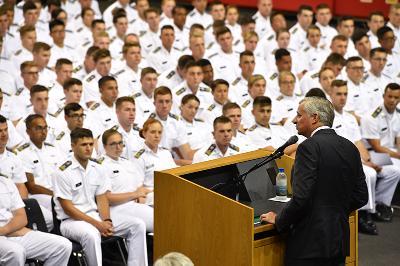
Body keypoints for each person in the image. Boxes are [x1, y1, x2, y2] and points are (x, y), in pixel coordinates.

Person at [260, 96, 368, 265]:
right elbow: (361, 196)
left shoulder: (308, 147)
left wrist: (279, 219)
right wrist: (334, 212)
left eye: (299, 115)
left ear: (315, 118)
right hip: (338, 239)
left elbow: (302, 197)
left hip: (310, 243)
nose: (295, 120)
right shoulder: (350, 147)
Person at [53, 127, 148, 266]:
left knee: (137, 225)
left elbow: (102, 198)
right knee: (92, 234)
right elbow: (68, 208)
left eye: (91, 144)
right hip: (71, 221)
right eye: (83, 145)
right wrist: (98, 225)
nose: (88, 148)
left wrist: (107, 221)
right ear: (73, 146)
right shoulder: (62, 172)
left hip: (95, 216)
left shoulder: (97, 167)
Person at [101, 128, 154, 232]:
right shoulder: (101, 166)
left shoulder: (127, 163)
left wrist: (143, 194)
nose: (118, 147)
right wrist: (135, 195)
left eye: (120, 143)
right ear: (105, 147)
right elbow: (106, 199)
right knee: (159, 220)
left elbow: (139, 187)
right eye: (113, 144)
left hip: (135, 203)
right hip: (118, 208)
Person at [132, 118, 177, 205]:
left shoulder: (166, 153)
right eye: (153, 132)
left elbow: (175, 176)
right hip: (152, 197)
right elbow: (138, 188)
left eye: (159, 132)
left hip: (171, 191)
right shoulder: (139, 157)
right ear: (144, 133)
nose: (157, 135)